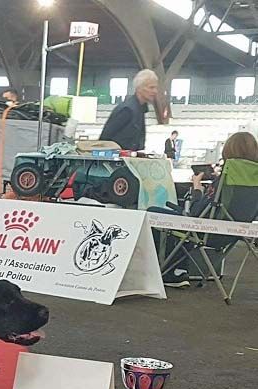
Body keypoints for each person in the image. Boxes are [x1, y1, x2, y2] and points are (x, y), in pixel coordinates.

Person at [152, 131, 258, 288]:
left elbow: (196, 212)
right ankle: (179, 269)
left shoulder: (226, 179)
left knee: (153, 212)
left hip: (208, 230)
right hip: (235, 234)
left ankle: (168, 271)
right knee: (185, 223)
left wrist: (197, 188)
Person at [99, 69, 158, 151]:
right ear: (139, 88)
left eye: (155, 88)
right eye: (151, 87)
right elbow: (104, 139)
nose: (155, 91)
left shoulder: (141, 109)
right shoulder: (127, 110)